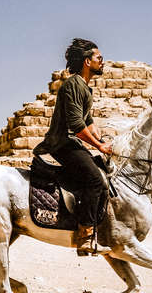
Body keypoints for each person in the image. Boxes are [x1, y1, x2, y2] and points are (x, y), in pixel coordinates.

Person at [33, 38, 112, 255]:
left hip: (73, 141)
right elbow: (77, 126)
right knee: (95, 180)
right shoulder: (73, 85)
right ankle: (84, 236)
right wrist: (98, 146)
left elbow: (88, 122)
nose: (102, 62)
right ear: (87, 62)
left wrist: (103, 141)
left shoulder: (85, 88)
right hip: (62, 143)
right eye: (99, 58)